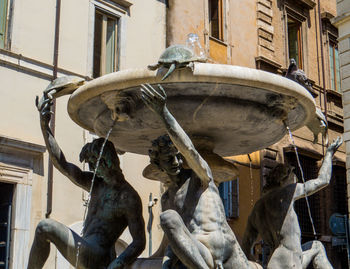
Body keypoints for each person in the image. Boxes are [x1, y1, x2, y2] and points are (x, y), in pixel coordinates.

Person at [141, 83, 258, 269]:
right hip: (201, 252)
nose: (175, 162)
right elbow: (176, 239)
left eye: (176, 156)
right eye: (167, 159)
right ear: (159, 164)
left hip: (223, 247)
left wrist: (163, 113)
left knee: (168, 217)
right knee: (169, 219)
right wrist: (167, 262)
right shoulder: (167, 197)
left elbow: (189, 149)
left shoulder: (199, 175)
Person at [28, 93, 145, 269]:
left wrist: (119, 262)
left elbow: (139, 241)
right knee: (44, 229)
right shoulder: (96, 183)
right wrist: (45, 127)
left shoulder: (128, 197)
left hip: (97, 256)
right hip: (85, 250)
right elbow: (63, 165)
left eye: (94, 164)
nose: (93, 169)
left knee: (45, 227)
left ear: (107, 162)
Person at [242, 136, 342, 269]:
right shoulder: (287, 192)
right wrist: (329, 154)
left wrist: (255, 263)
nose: (295, 181)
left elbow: (246, 245)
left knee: (317, 246)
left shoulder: (257, 209)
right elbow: (323, 180)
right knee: (317, 246)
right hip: (291, 261)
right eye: (293, 177)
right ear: (285, 178)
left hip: (273, 263)